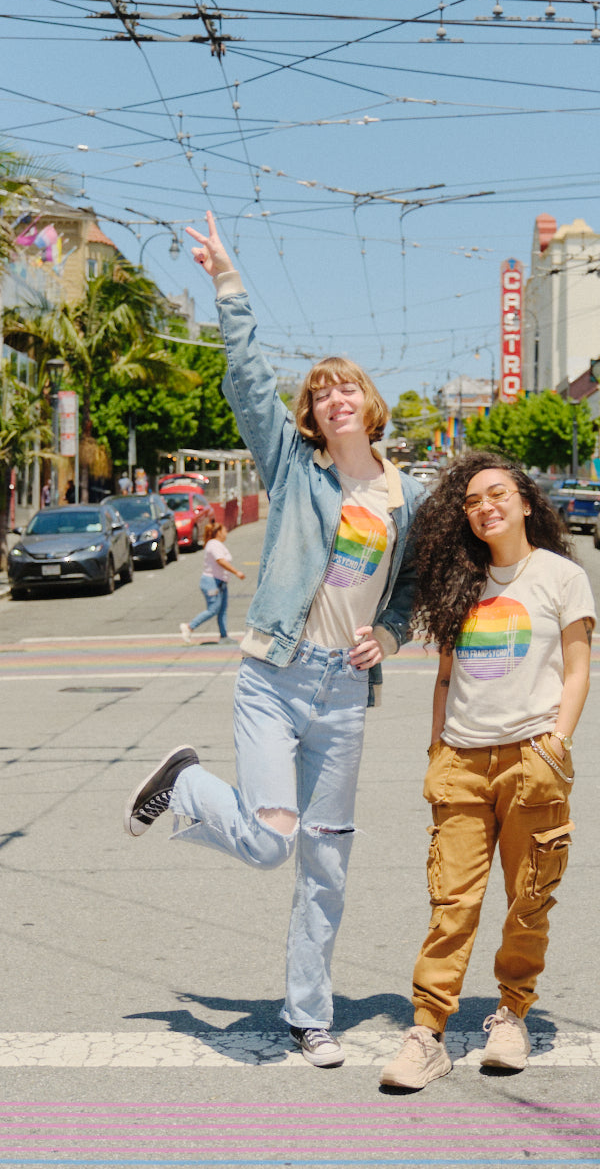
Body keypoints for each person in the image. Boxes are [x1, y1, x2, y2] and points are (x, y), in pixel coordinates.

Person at [123, 211, 425, 1069]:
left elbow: (403, 595)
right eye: (318, 391)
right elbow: (249, 380)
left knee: (325, 864)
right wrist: (227, 282)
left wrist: (390, 640)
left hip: (345, 695)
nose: (333, 397)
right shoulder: (297, 471)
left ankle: (310, 1015)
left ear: (369, 403)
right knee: (268, 841)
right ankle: (185, 787)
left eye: (346, 386)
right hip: (274, 676)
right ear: (311, 414)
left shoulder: (404, 494)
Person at [380, 450, 595, 1090]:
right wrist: (436, 750)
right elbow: (446, 675)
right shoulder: (459, 581)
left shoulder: (560, 576)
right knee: (452, 903)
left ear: (525, 502)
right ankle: (427, 1032)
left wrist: (558, 741)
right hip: (462, 758)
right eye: (472, 501)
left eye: (496, 494)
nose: (484, 507)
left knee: (528, 900)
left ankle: (510, 1015)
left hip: (533, 756)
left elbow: (578, 669)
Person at [180, 521, 245, 644]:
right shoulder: (213, 544)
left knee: (222, 609)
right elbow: (220, 561)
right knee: (213, 609)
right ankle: (189, 627)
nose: (226, 533)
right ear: (218, 532)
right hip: (211, 582)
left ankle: (224, 636)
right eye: (224, 531)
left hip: (220, 582)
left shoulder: (218, 544)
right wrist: (236, 572)